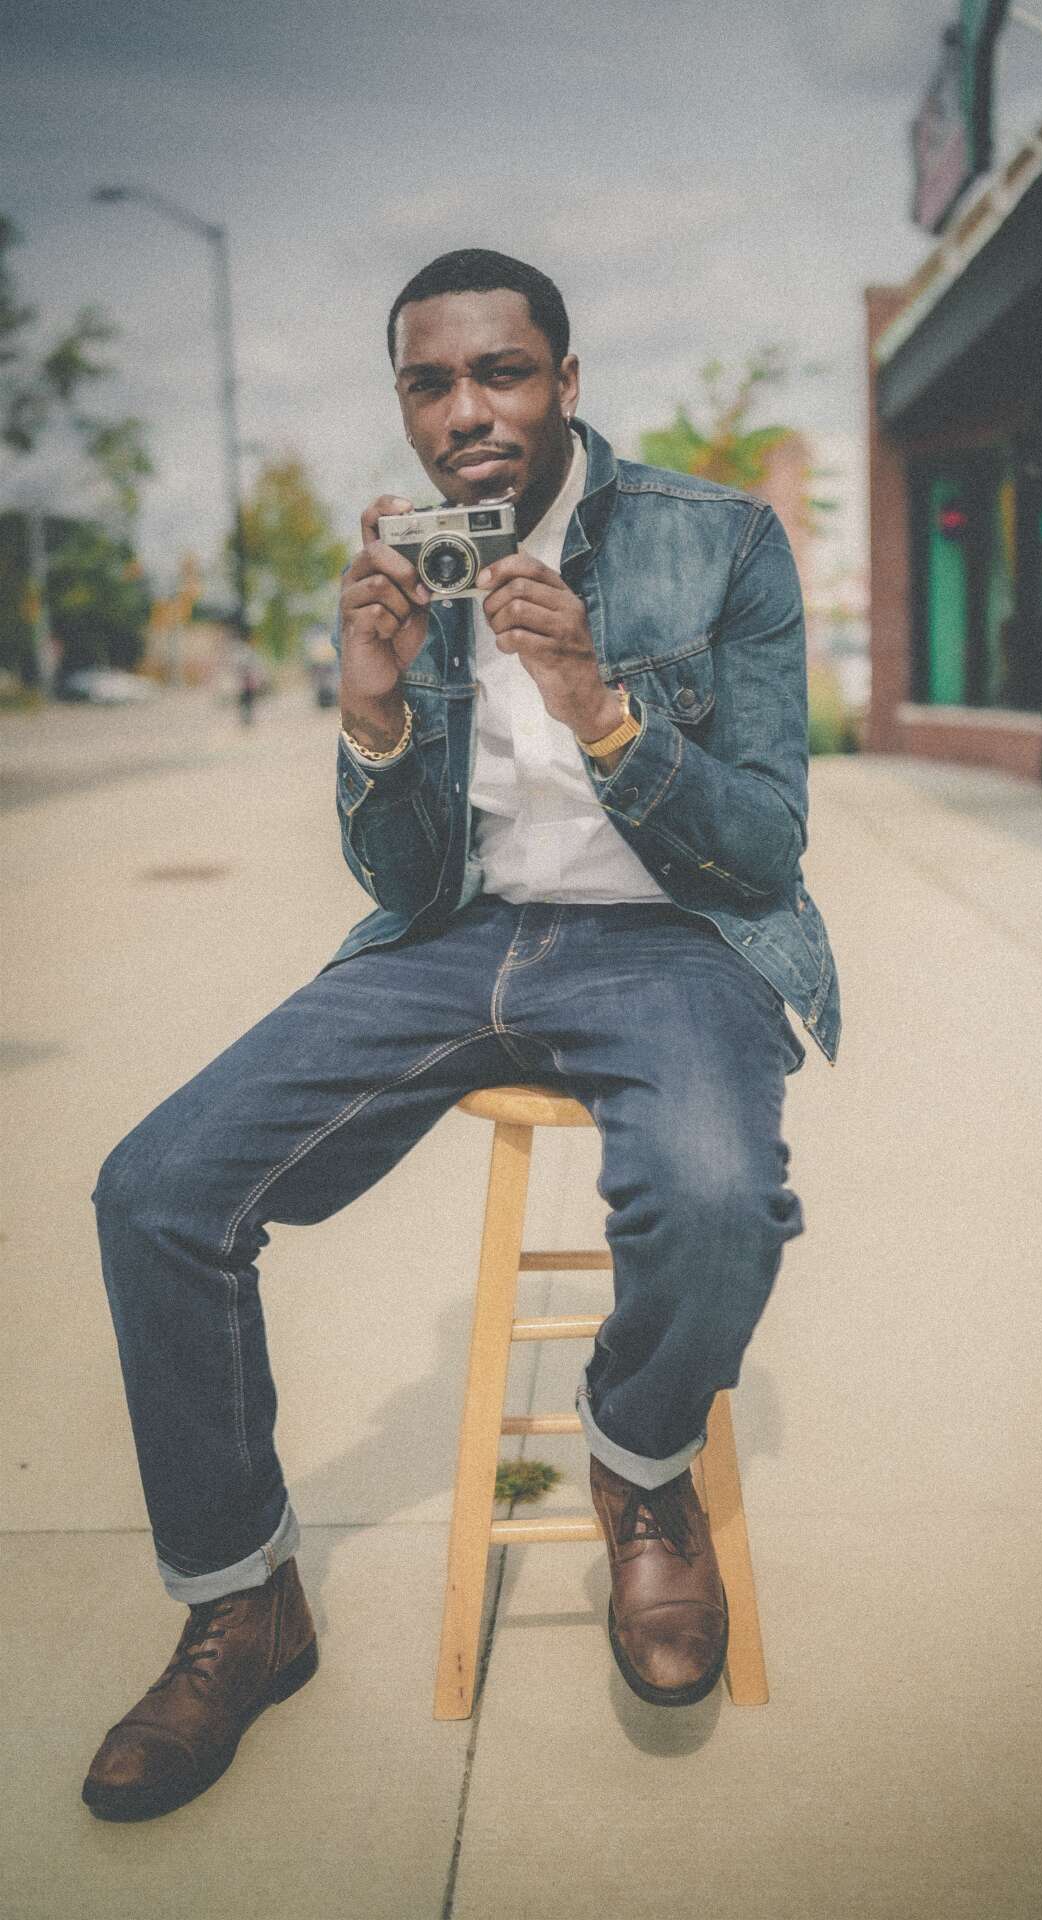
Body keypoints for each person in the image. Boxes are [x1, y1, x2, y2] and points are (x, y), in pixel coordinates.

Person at [82, 248, 840, 1822]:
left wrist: (599, 709)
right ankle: (243, 1602)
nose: (464, 412)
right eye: (429, 384)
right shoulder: (405, 569)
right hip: (457, 944)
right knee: (155, 1191)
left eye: (500, 371)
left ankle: (638, 1460)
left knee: (714, 1197)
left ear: (566, 382)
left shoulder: (719, 541)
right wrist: (371, 717)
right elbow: (404, 880)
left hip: (672, 942)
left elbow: (765, 849)